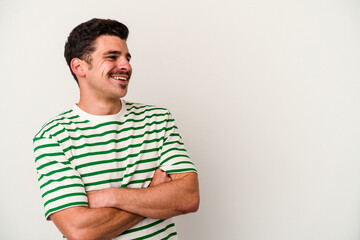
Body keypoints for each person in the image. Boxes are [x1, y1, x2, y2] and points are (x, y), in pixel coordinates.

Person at [33, 18, 199, 240]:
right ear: (79, 67)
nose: (126, 66)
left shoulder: (158, 119)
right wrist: (151, 194)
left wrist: (108, 196)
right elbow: (80, 231)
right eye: (112, 57)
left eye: (127, 58)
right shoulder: (53, 137)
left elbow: (188, 198)